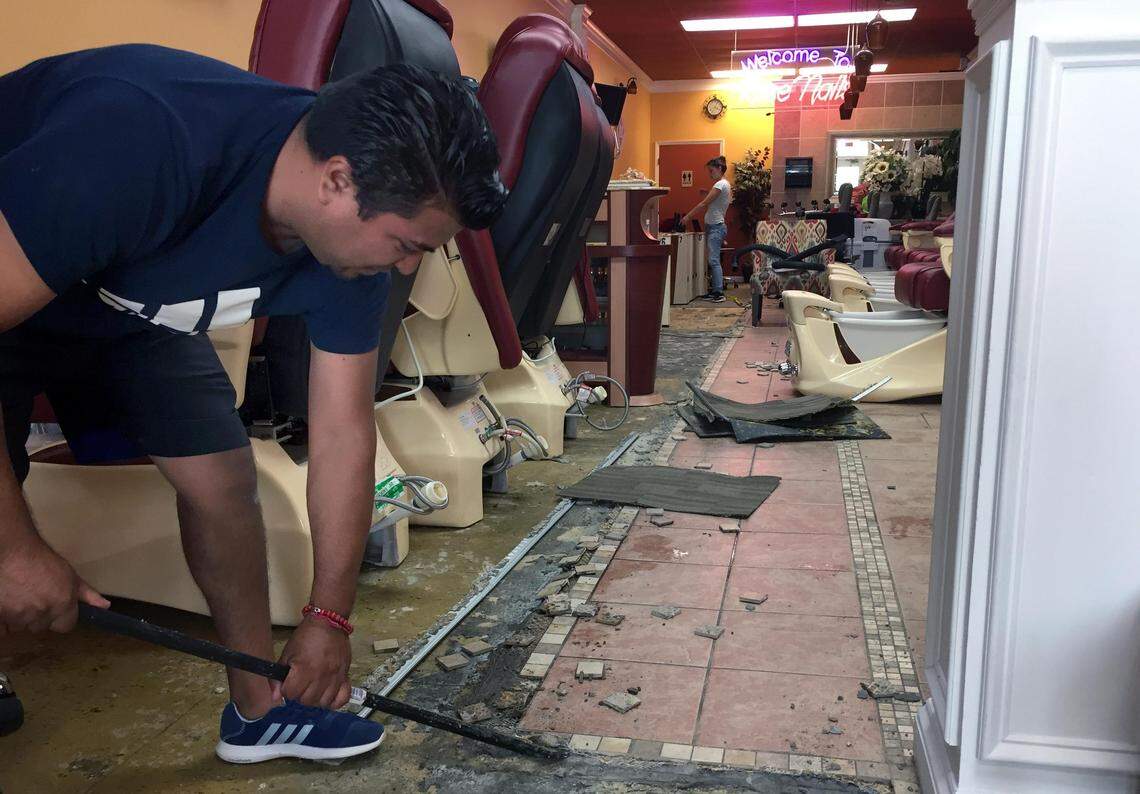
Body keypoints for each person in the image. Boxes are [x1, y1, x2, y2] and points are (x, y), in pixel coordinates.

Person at [0, 44, 507, 763]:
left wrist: (329, 617)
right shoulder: (138, 138)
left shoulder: (352, 255)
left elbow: (342, 432)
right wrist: (15, 549)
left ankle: (257, 710)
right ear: (337, 180)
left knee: (223, 483)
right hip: (19, 263)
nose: (405, 266)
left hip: (125, 300)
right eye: (405, 244)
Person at [681, 155, 732, 303]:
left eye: (711, 171)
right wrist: (706, 194)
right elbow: (714, 201)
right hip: (714, 226)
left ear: (720, 168)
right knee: (712, 260)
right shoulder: (723, 184)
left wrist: (687, 217)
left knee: (713, 260)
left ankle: (719, 293)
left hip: (716, 227)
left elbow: (703, 204)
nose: (710, 174)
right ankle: (715, 291)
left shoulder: (720, 184)